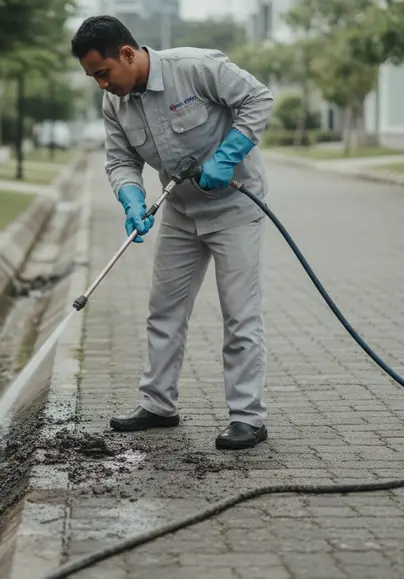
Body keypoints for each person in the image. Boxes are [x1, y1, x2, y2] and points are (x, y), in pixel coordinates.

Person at [70, 15, 275, 450]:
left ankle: (248, 418)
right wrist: (130, 197)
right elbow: (121, 160)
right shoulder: (115, 104)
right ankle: (158, 405)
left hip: (236, 208)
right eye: (93, 78)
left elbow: (258, 99)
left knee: (239, 314)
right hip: (181, 212)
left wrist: (227, 157)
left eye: (103, 73)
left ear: (127, 53)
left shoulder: (196, 67)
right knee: (164, 310)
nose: (101, 86)